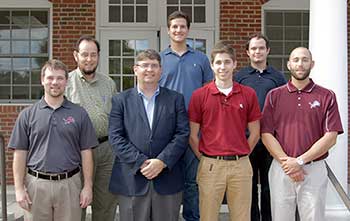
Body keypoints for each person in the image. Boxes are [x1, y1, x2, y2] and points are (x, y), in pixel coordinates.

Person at [8, 59, 98, 221]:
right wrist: (19, 188)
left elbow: (86, 152)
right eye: (50, 78)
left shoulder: (79, 114)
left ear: (66, 81)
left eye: (59, 78)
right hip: (36, 185)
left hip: (70, 185)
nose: (54, 82)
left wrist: (87, 187)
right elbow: (20, 153)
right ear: (42, 80)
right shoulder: (27, 115)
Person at [261, 47, 343, 221]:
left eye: (305, 60)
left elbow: (331, 137)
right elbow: (266, 134)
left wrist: (300, 161)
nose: (300, 64)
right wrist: (288, 164)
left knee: (313, 218)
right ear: (288, 64)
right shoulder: (274, 96)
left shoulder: (327, 96)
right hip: (281, 168)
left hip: (313, 169)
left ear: (312, 64)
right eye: (296, 60)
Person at [108, 49, 189, 221]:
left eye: (154, 66)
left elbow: (182, 134)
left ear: (161, 70)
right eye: (144, 65)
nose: (149, 70)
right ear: (135, 69)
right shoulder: (120, 100)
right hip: (132, 179)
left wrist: (162, 161)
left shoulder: (175, 99)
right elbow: (115, 136)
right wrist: (141, 162)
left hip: (167, 179)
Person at [188, 41, 261, 221]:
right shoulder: (200, 95)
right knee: (208, 216)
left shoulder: (248, 94)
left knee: (242, 217)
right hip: (211, 165)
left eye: (227, 62)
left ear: (235, 64)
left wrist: (242, 155)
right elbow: (192, 135)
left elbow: (255, 133)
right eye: (218, 63)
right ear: (212, 66)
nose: (223, 67)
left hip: (241, 165)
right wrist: (205, 157)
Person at [159, 10, 213, 221]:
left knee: (193, 180)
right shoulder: (160, 59)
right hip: (167, 127)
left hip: (195, 127)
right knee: (167, 178)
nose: (178, 30)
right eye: (174, 26)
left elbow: (209, 93)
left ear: (188, 30)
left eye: (182, 26)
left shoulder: (200, 59)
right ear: (168, 30)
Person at [65, 35, 118, 221]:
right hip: (75, 151)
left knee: (106, 204)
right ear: (75, 56)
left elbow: (115, 117)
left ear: (98, 56)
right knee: (75, 204)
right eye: (85, 54)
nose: (89, 59)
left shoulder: (109, 83)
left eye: (93, 54)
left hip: (106, 150)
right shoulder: (66, 83)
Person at [235, 33, 287, 221]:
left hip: (271, 140)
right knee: (247, 185)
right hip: (246, 140)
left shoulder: (278, 77)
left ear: (268, 51)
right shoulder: (239, 77)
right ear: (248, 52)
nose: (258, 51)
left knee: (269, 185)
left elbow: (283, 108)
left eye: (261, 48)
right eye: (254, 48)